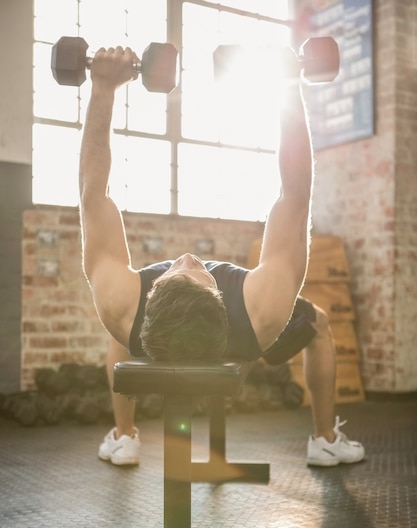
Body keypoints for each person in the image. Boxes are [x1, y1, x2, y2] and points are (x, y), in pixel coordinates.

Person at [78, 45, 365, 469]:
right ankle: (324, 441)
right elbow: (296, 193)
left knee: (116, 328)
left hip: (150, 320)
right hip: (247, 325)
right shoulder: (260, 307)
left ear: (153, 294)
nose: (189, 258)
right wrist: (288, 86)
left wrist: (102, 87)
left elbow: (92, 195)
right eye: (199, 271)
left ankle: (123, 438)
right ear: (219, 298)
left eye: (179, 269)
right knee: (318, 324)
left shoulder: (125, 307)